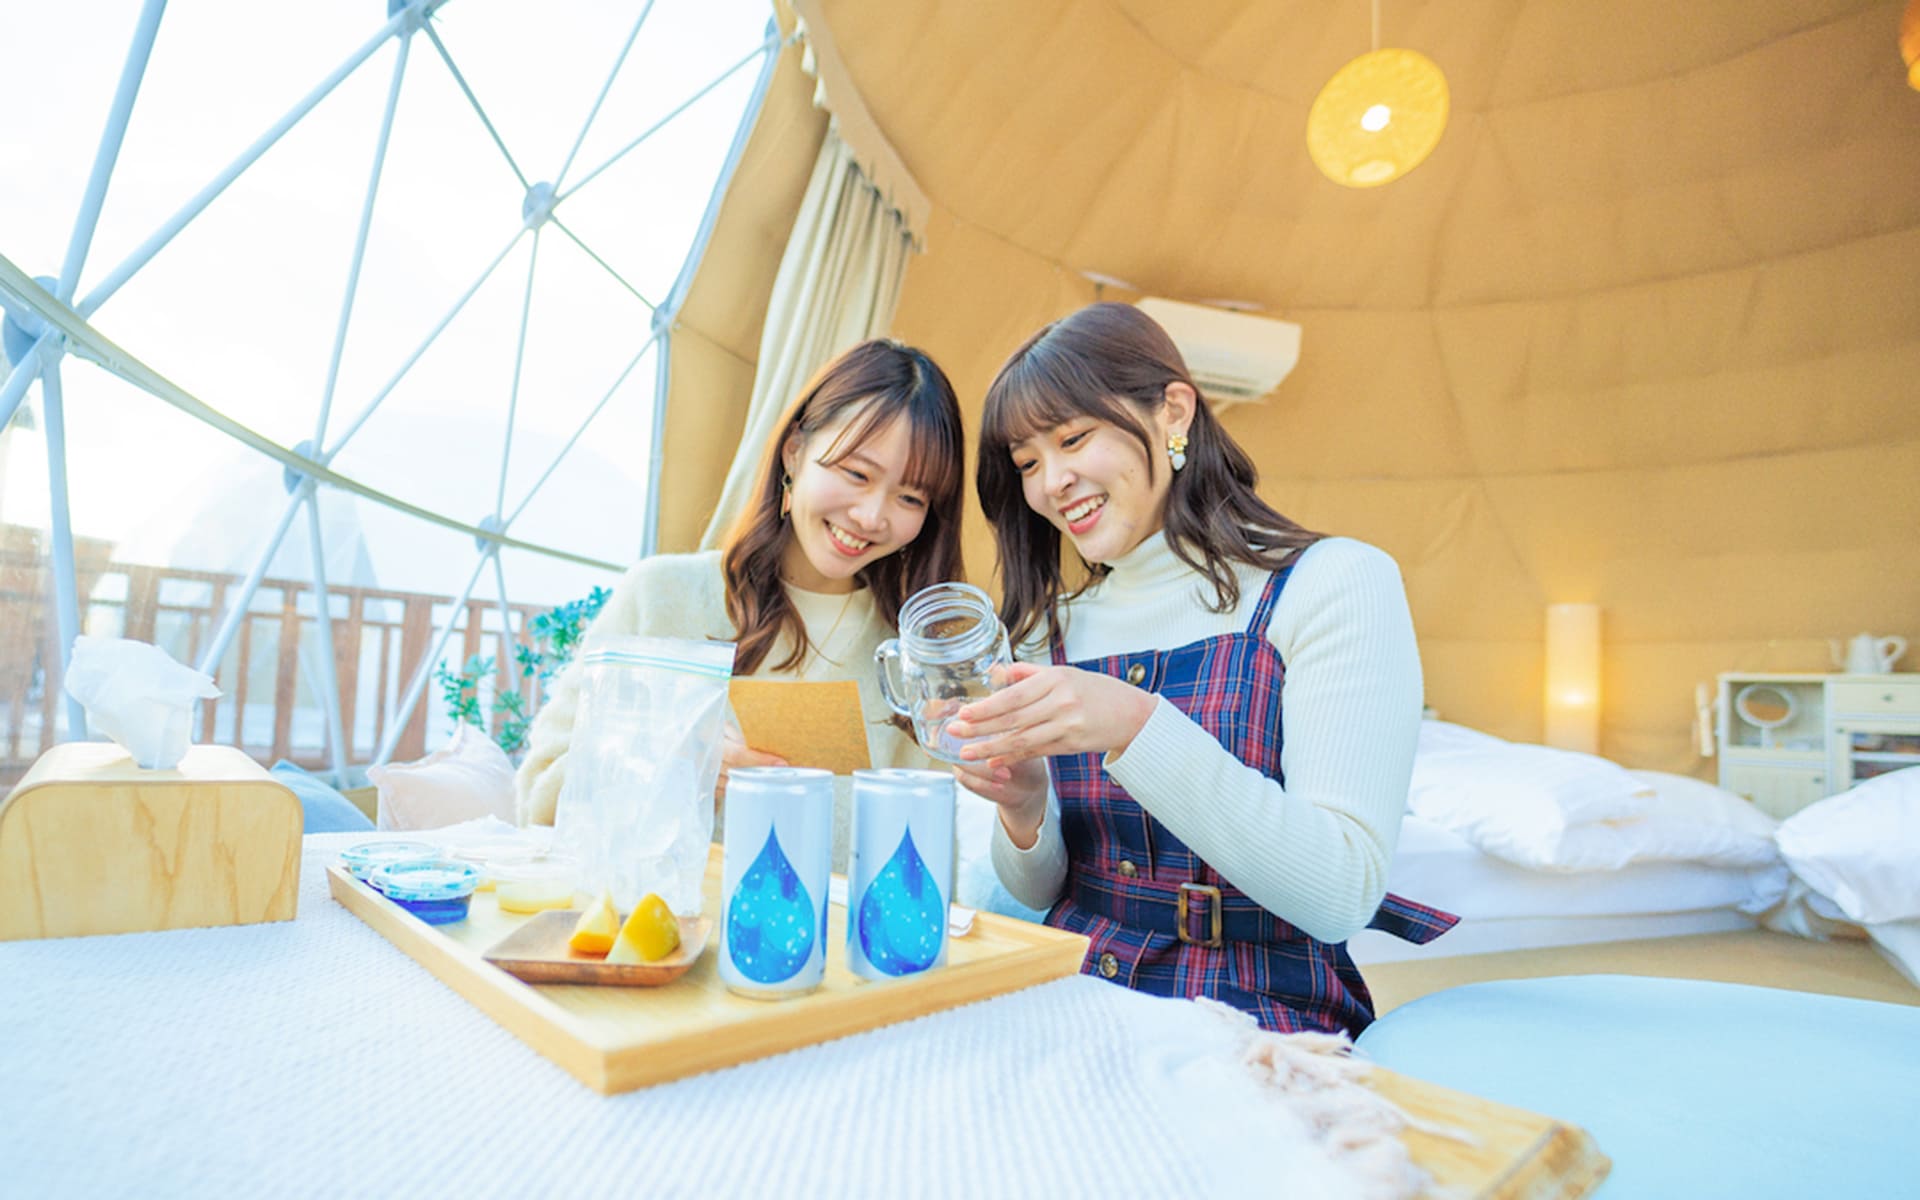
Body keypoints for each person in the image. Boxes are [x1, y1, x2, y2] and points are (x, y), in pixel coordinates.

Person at [945, 302, 1455, 1035]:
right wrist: (1023, 812)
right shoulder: (1047, 629)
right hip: (1066, 991)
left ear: (1173, 412)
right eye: (1027, 463)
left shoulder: (1333, 582)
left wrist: (1135, 723)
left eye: (1074, 437)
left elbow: (1340, 891)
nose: (1051, 482)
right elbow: (1040, 891)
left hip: (1253, 1012)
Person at [515, 339, 967, 845]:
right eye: (856, 473)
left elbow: (926, 857)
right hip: (657, 924)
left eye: (910, 497)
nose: (871, 516)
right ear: (794, 451)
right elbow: (538, 798)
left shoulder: (912, 662)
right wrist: (677, 762)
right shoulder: (662, 597)